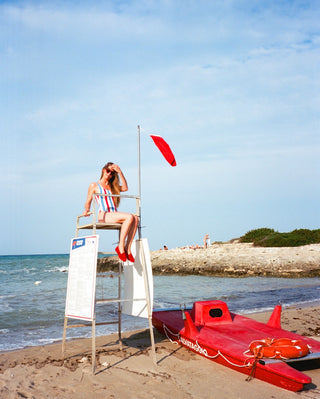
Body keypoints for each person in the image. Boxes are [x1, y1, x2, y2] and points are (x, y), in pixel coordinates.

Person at [83, 162, 139, 263]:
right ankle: (120, 246)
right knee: (130, 217)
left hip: (113, 214)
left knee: (135, 218)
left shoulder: (113, 187)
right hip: (103, 214)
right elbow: (88, 201)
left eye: (112, 173)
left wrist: (120, 172)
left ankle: (127, 248)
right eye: (108, 171)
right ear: (103, 170)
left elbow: (125, 188)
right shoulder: (94, 185)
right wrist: (86, 210)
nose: (109, 174)